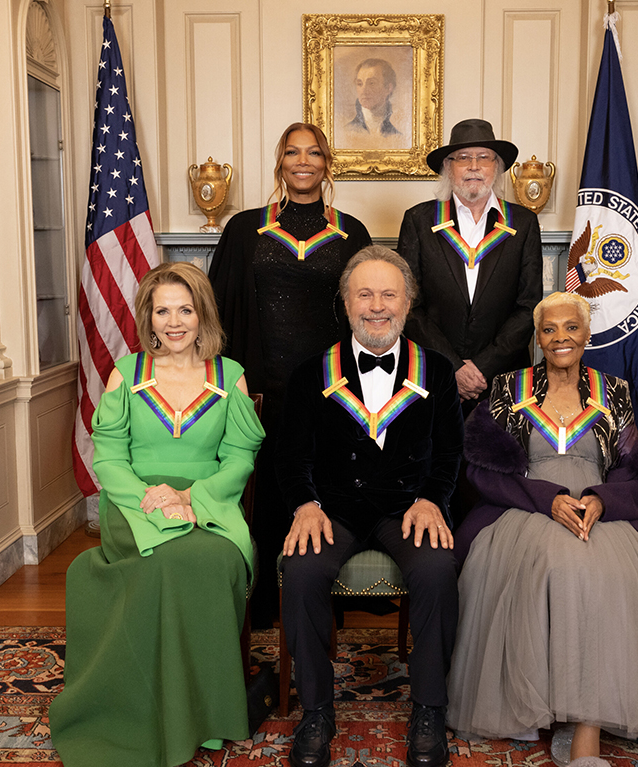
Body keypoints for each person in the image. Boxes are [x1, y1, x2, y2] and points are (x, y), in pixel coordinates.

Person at [446, 292, 638, 767]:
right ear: (538, 337)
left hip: (598, 510)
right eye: (550, 329)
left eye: (572, 328)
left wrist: (598, 500)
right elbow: (481, 471)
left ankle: (587, 751)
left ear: (587, 336)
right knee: (556, 568)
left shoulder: (613, 391)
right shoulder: (507, 389)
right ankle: (546, 704)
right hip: (524, 509)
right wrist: (546, 499)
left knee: (610, 573)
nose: (561, 337)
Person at [49, 262, 265, 767]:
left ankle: (197, 711)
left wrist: (194, 497)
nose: (174, 322)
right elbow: (109, 455)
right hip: (137, 506)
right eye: (162, 310)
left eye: (185, 310)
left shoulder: (230, 376)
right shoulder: (127, 372)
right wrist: (148, 497)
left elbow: (240, 455)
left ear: (202, 315)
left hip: (209, 504)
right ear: (148, 316)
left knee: (210, 560)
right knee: (164, 561)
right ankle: (138, 710)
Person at [277, 245, 463, 767]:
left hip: (407, 507)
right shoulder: (310, 373)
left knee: (436, 568)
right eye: (365, 294)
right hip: (332, 508)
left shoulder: (439, 372)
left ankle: (429, 707)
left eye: (388, 294)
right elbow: (291, 455)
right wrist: (304, 505)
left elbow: (451, 452)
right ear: (345, 302)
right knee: (303, 570)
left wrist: (433, 499)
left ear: (408, 303)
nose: (376, 306)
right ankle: (317, 712)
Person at [209, 123, 371, 626]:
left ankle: (320, 599)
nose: (304, 161)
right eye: (292, 153)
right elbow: (217, 312)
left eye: (315, 153)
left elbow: (370, 316)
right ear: (280, 162)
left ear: (328, 164)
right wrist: (227, 379)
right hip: (257, 390)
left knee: (322, 489)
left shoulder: (352, 233)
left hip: (331, 393)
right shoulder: (244, 228)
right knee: (262, 495)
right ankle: (257, 602)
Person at [397, 118, 543, 409]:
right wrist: (454, 366)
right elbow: (408, 306)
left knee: (498, 455)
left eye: (484, 157)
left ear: (497, 167)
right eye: (463, 158)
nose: (474, 166)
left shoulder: (524, 223)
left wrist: (483, 367)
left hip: (504, 380)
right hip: (434, 377)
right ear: (448, 167)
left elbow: (528, 306)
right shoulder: (418, 221)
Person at [345, 58, 402, 139]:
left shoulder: (397, 136)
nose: (364, 91)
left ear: (389, 88)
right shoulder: (346, 132)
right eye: (359, 84)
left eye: (371, 83)